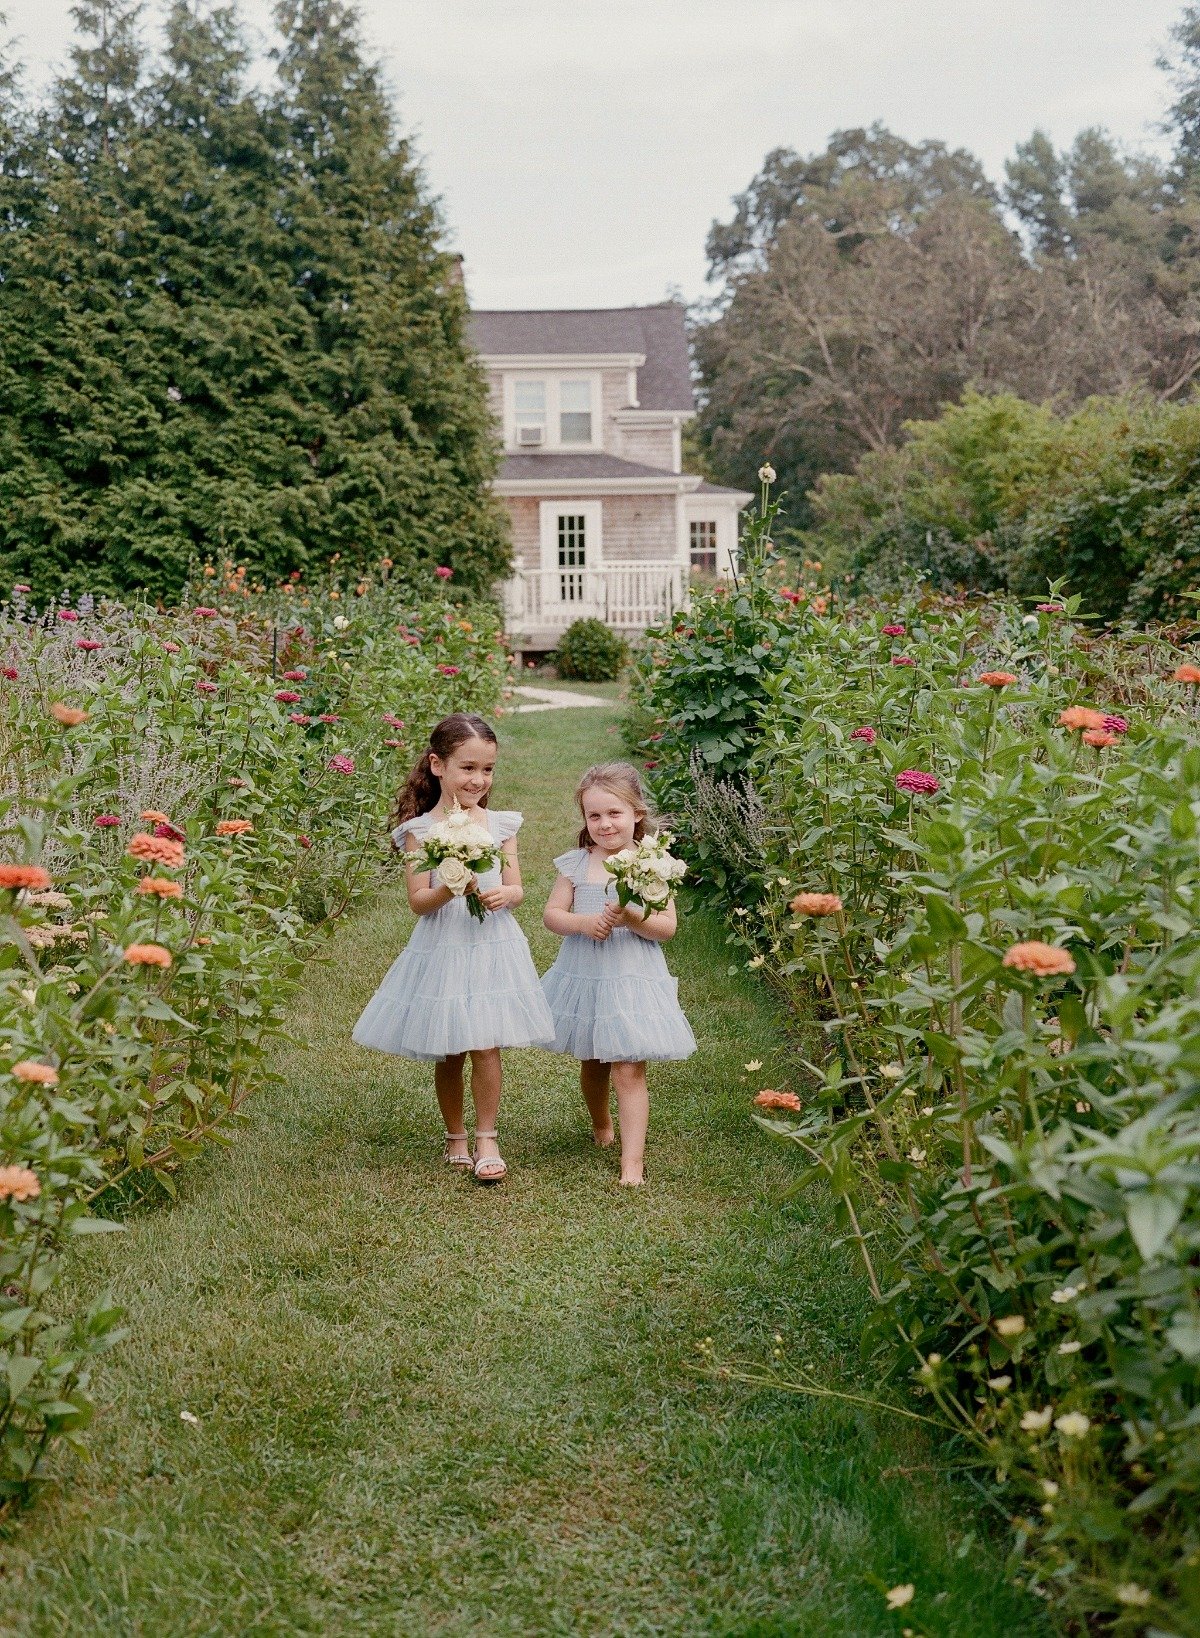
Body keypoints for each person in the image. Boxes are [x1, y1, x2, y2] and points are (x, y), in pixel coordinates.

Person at [352, 712, 554, 1183]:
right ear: (438, 765)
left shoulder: (501, 824)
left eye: (487, 769)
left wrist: (508, 895)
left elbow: (516, 885)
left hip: (490, 942)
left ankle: (488, 1137)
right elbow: (420, 902)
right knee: (450, 1047)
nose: (479, 779)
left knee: (486, 1044)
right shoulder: (420, 831)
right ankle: (455, 1136)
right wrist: (450, 884)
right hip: (445, 941)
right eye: (468, 768)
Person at [541, 762, 695, 1186]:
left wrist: (631, 918)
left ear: (637, 814)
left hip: (632, 975)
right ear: (585, 820)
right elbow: (552, 915)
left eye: (614, 814)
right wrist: (584, 923)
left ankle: (633, 1161)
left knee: (628, 1068)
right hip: (587, 973)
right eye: (594, 816)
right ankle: (601, 1124)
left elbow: (666, 927)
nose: (605, 824)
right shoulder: (577, 863)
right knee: (593, 1062)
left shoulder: (653, 863)